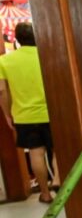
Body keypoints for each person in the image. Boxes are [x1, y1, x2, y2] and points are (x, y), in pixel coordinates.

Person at [0, 22, 54, 203]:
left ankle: (45, 193)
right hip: (51, 112)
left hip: (25, 116)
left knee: (36, 153)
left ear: (17, 39)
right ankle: (59, 182)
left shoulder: (4, 61)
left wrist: (8, 115)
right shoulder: (46, 55)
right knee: (58, 150)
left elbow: (2, 91)